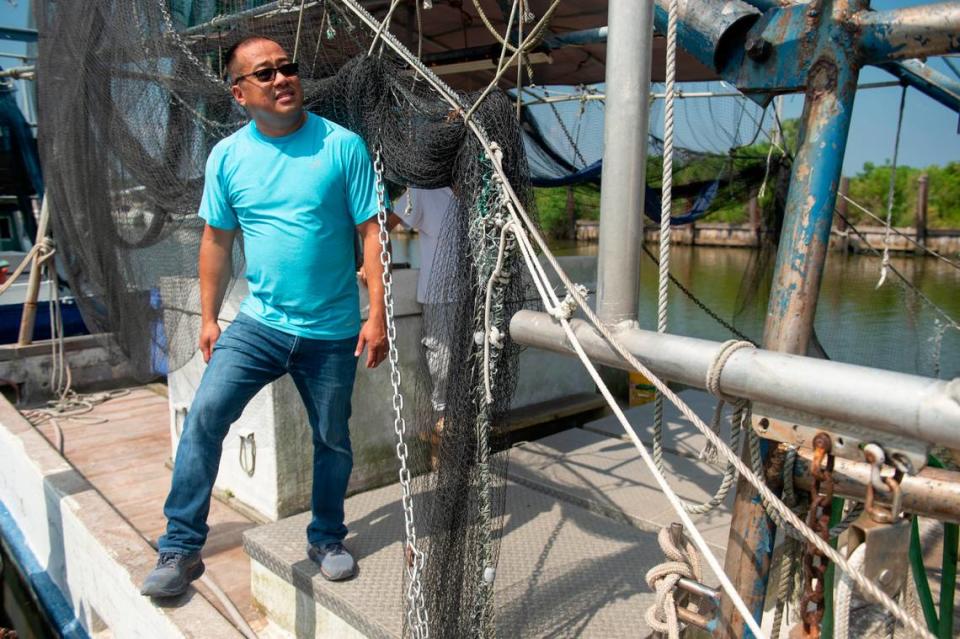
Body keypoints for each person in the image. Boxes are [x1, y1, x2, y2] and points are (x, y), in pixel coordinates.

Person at [140, 36, 387, 598]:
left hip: (332, 331)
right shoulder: (227, 156)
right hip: (259, 325)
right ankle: (180, 548)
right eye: (264, 73)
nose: (281, 79)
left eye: (287, 68)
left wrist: (377, 315)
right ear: (240, 93)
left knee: (333, 439)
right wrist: (208, 317)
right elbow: (216, 240)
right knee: (205, 416)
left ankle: (326, 537)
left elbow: (371, 232)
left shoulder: (342, 145)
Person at [386, 187, 456, 468]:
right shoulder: (424, 192)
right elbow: (384, 223)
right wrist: (373, 263)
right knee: (443, 362)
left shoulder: (481, 194)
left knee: (471, 365)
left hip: (473, 294)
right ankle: (442, 428)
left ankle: (457, 436)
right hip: (439, 295)